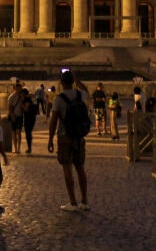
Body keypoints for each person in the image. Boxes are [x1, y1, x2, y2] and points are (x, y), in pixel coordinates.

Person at [48, 69, 90, 212]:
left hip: (65, 136)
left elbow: (53, 121)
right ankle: (84, 201)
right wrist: (77, 80)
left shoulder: (58, 99)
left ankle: (72, 202)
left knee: (67, 168)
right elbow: (86, 89)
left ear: (61, 83)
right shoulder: (81, 95)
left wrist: (50, 139)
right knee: (80, 168)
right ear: (73, 82)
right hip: (79, 136)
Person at [7, 80, 26, 153]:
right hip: (13, 116)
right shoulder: (11, 97)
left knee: (19, 132)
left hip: (20, 116)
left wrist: (22, 99)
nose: (20, 90)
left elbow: (24, 106)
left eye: (20, 88)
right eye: (19, 88)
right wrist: (12, 116)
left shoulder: (21, 96)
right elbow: (9, 107)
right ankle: (15, 148)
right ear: (15, 88)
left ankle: (18, 148)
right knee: (14, 133)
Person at [21, 87, 38, 153]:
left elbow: (26, 109)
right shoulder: (29, 99)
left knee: (28, 133)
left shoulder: (27, 99)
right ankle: (29, 147)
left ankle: (29, 148)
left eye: (21, 93)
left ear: (24, 94)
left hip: (29, 118)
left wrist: (21, 103)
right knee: (28, 133)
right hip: (30, 117)